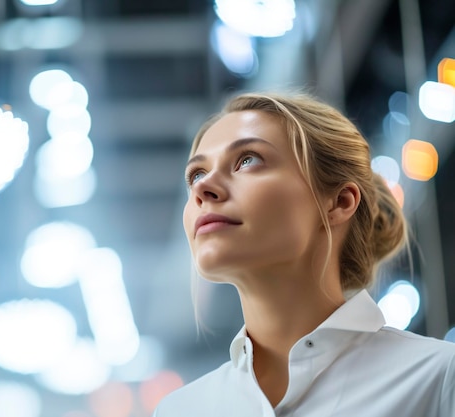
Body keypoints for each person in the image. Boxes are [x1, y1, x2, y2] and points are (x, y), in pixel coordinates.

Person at [153, 92, 455, 416]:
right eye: (196, 174)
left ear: (339, 202)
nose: (201, 188)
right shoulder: (180, 410)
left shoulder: (439, 378)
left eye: (247, 160)